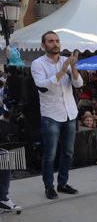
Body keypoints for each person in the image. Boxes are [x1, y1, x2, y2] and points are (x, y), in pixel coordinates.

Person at [31, 31, 83, 199]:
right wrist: (63, 70)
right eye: (51, 41)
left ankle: (62, 183)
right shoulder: (38, 64)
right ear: (43, 45)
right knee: (50, 154)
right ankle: (49, 187)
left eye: (57, 40)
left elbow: (78, 83)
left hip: (70, 113)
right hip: (51, 115)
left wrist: (73, 67)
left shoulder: (66, 61)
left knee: (68, 152)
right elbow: (43, 86)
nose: (55, 44)